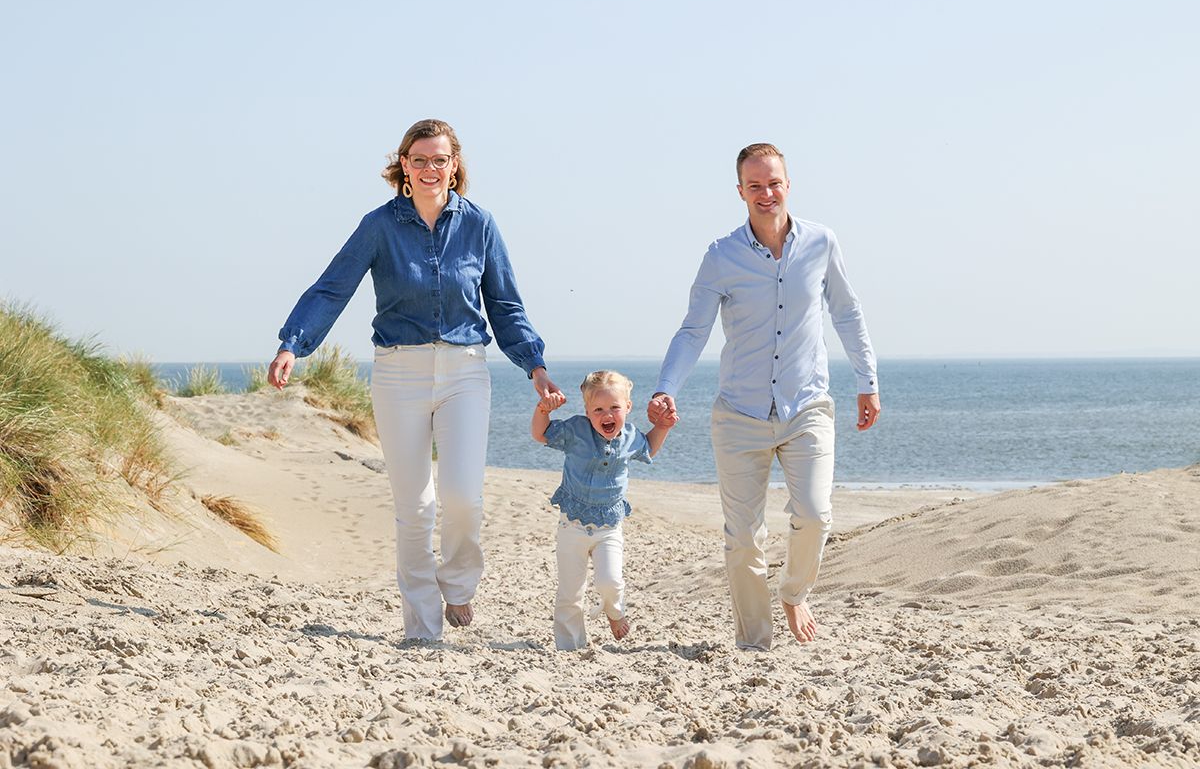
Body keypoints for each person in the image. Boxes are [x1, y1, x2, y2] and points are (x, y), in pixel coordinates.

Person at [268, 119, 560, 642]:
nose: (430, 169)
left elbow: (505, 304)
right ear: (404, 164)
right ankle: (422, 626)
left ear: (455, 165)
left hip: (465, 370)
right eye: (419, 160)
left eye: (439, 160)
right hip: (398, 373)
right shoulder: (379, 226)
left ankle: (460, 583)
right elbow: (332, 289)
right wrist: (294, 343)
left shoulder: (480, 225)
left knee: (464, 496)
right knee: (415, 505)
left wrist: (534, 366)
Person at [648, 143, 880, 651]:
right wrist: (666, 388)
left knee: (816, 516)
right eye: (755, 186)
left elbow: (847, 312)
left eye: (774, 183)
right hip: (739, 415)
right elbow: (693, 331)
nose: (766, 193)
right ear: (740, 192)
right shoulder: (721, 256)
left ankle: (795, 592)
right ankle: (755, 643)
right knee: (744, 537)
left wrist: (867, 380)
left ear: (788, 184)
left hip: (808, 408)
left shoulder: (821, 242)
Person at [531, 370, 677, 650]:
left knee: (610, 581)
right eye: (598, 409)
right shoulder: (575, 431)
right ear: (587, 410)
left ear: (628, 408)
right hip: (571, 524)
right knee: (570, 592)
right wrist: (543, 410)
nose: (606, 415)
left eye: (614, 408)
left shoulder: (632, 436)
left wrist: (664, 427)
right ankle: (570, 646)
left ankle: (614, 610)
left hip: (609, 526)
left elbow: (650, 447)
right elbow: (540, 433)